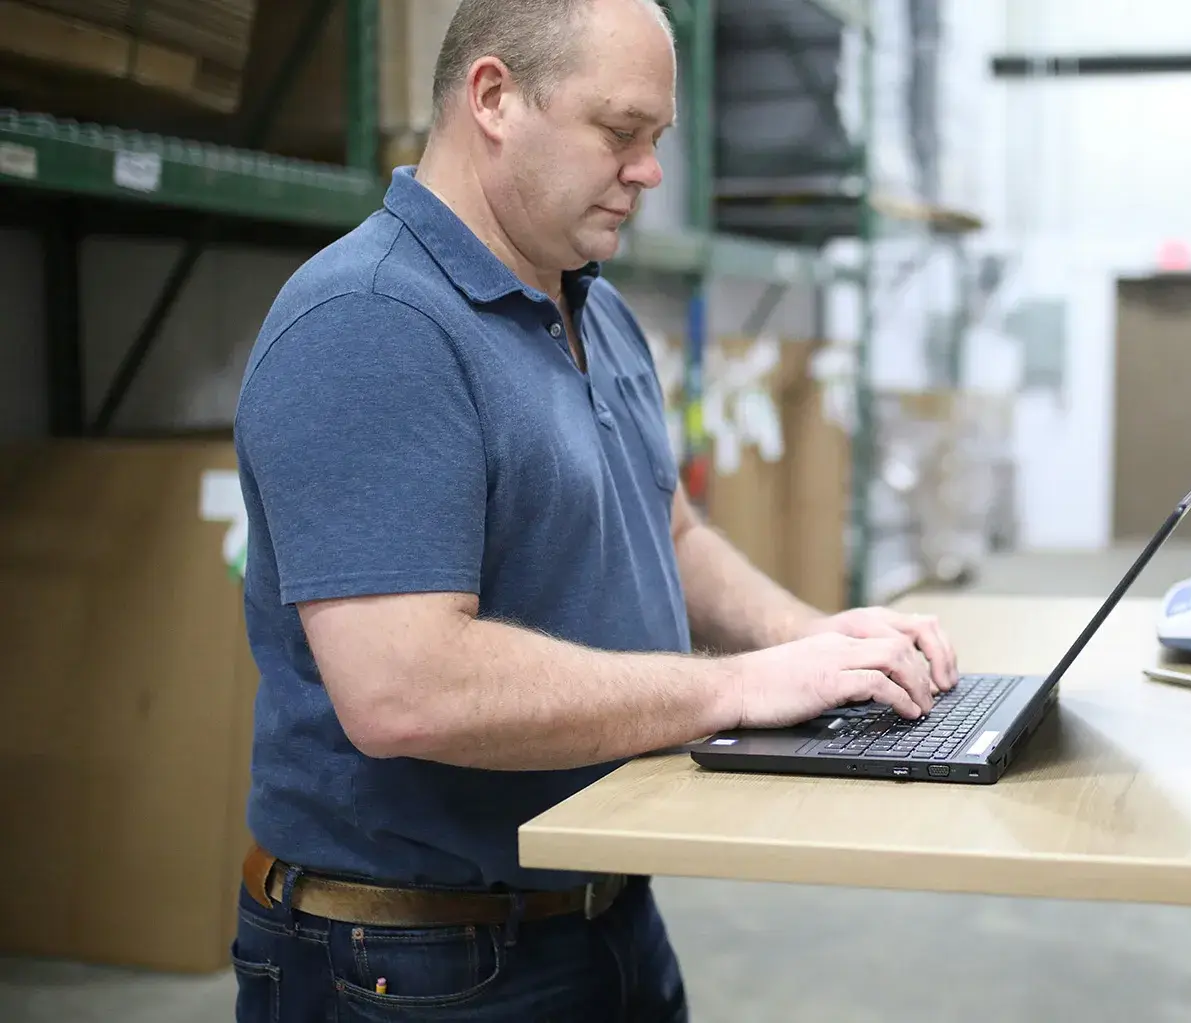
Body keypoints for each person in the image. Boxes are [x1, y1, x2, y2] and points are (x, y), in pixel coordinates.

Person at [227, 0, 957, 1018]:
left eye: (656, 139)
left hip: (600, 915)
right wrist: (735, 688)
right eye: (621, 132)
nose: (650, 171)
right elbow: (406, 690)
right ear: (495, 99)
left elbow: (666, 532)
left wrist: (820, 643)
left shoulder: (593, 307)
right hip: (416, 961)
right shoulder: (374, 323)